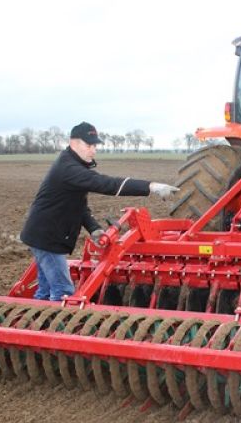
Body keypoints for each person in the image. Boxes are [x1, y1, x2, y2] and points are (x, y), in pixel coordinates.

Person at [20, 122, 179, 301]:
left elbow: (77, 206)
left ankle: (37, 319)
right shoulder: (69, 168)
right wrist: (150, 186)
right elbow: (106, 184)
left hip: (42, 235)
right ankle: (53, 328)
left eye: (95, 145)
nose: (93, 150)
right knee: (63, 291)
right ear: (74, 143)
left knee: (46, 289)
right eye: (89, 145)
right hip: (47, 238)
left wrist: (94, 228)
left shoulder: (71, 164)